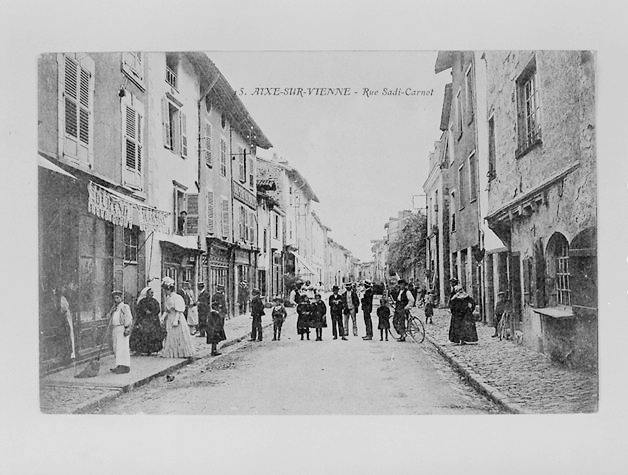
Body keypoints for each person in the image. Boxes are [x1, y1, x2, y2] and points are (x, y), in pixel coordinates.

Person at [160, 277, 194, 358]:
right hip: (170, 317)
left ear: (169, 289)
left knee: (178, 335)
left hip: (177, 318)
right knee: (171, 335)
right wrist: (162, 317)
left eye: (165, 290)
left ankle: (181, 352)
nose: (164, 292)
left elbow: (179, 310)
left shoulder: (177, 297)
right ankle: (171, 352)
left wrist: (176, 320)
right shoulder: (168, 298)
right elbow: (167, 309)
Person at [130, 286, 165, 355]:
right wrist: (145, 311)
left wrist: (152, 313)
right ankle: (143, 350)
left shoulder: (155, 301)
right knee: (143, 334)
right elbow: (139, 310)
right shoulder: (142, 301)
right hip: (144, 320)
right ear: (147, 293)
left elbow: (158, 309)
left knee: (153, 335)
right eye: (151, 293)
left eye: (152, 293)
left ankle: (152, 350)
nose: (152, 294)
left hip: (153, 320)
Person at [108, 290, 133, 374]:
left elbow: (128, 317)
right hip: (115, 328)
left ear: (121, 298)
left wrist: (127, 328)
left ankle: (124, 366)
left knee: (122, 348)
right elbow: (110, 316)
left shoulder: (124, 307)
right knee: (116, 347)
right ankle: (119, 365)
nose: (116, 300)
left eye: (117, 298)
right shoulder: (115, 308)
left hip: (122, 328)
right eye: (114, 298)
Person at [206, 285, 227, 356]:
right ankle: (214, 350)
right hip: (215, 326)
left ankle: (214, 349)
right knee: (217, 334)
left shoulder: (215, 296)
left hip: (216, 321)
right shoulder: (220, 296)